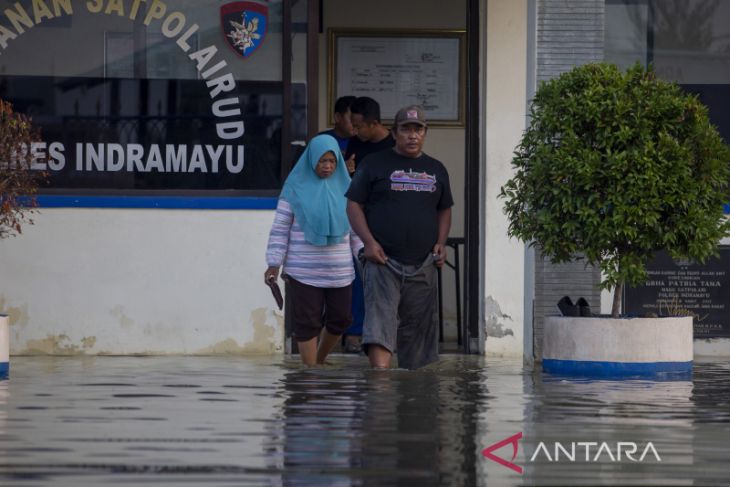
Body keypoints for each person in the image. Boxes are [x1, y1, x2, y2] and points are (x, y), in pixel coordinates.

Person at [345, 105, 453, 370]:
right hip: (383, 261)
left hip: (423, 263)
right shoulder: (373, 164)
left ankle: (412, 393)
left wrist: (441, 242)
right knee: (380, 323)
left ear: (425, 133)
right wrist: (368, 243)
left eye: (418, 129)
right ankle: (380, 391)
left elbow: (444, 209)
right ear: (394, 133)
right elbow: (353, 204)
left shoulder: (436, 168)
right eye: (406, 129)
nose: (412, 135)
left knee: (418, 329)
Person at [265, 134, 363, 366]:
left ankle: (318, 360)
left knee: (341, 319)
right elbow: (280, 229)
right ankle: (310, 374)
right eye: (322, 161)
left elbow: (356, 230)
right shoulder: (294, 188)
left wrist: (364, 257)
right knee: (307, 323)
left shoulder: (348, 189)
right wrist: (274, 263)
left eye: (332, 161)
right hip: (303, 271)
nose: (327, 166)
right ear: (311, 160)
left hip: (340, 272)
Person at [341, 97, 396, 353]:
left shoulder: (394, 146)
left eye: (358, 125)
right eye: (352, 124)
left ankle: (387, 336)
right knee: (358, 279)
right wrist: (346, 169)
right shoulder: (356, 143)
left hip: (387, 222)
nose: (353, 130)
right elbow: (347, 182)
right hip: (359, 223)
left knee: (389, 282)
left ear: (374, 124)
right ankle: (355, 333)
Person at [344, 96, 395, 176]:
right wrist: (344, 169)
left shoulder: (396, 144)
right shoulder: (354, 141)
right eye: (353, 126)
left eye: (358, 127)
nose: (354, 132)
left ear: (374, 124)